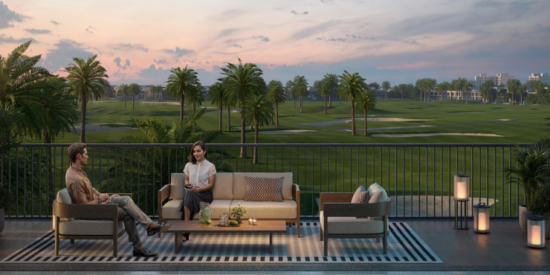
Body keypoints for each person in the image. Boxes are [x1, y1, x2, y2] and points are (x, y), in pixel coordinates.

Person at [65, 143, 170, 257]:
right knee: (127, 213)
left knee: (125, 199)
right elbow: (85, 207)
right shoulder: (75, 179)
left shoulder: (78, 171)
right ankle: (142, 243)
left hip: (98, 203)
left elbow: (90, 189)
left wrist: (105, 196)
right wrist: (101, 199)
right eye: (86, 154)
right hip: (92, 210)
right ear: (79, 156)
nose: (88, 156)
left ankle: (150, 227)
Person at [179, 141, 216, 241]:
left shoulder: (210, 166)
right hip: (191, 191)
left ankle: (185, 229)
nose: (196, 153)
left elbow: (210, 185)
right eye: (194, 151)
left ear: (204, 151)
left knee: (189, 195)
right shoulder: (189, 165)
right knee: (189, 193)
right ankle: (186, 229)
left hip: (204, 194)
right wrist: (187, 185)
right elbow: (186, 178)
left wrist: (197, 189)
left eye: (199, 151)